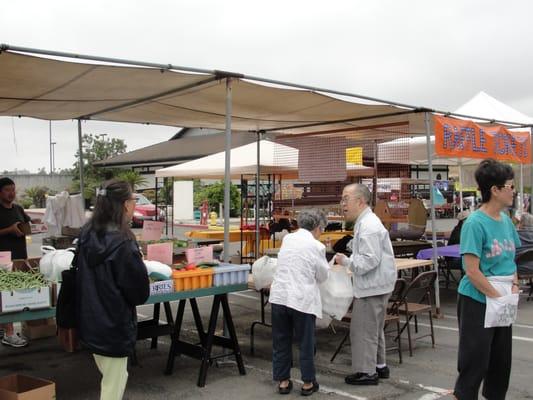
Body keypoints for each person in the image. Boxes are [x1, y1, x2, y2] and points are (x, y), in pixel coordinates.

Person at [76, 180, 149, 400]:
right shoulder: (123, 242)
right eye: (134, 200)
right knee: (113, 386)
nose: (135, 205)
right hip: (113, 324)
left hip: (90, 320)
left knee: (111, 378)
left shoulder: (86, 233)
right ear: (125, 205)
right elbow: (139, 293)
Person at [453, 159, 520, 400]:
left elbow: (511, 260)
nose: (514, 191)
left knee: (501, 363)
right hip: (477, 300)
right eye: (510, 186)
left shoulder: (506, 222)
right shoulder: (474, 223)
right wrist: (497, 295)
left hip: (503, 299)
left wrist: (514, 284)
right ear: (495, 190)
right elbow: (471, 270)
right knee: (475, 361)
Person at [335, 183, 396, 386]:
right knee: (374, 328)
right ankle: (379, 366)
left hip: (371, 286)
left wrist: (346, 261)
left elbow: (369, 260)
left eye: (346, 198)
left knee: (362, 330)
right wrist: (353, 247)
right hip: (379, 284)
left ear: (360, 201)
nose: (342, 203)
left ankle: (366, 372)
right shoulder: (367, 221)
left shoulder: (368, 225)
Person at [269, 208, 330, 396]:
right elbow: (322, 275)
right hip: (302, 299)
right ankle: (307, 383)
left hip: (279, 296)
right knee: (305, 342)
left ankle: (283, 381)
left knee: (281, 340)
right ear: (318, 228)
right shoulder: (316, 246)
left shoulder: (288, 239)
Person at [0, 177, 38, 348]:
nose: (11, 193)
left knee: (16, 293)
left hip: (19, 256)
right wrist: (9, 230)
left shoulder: (18, 209)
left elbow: (28, 225)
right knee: (5, 294)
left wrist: (35, 225)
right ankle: (8, 333)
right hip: (2, 258)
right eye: (7, 189)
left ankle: (7, 329)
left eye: (13, 189)